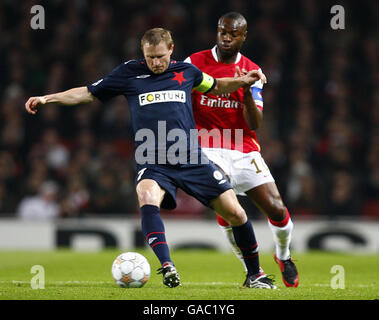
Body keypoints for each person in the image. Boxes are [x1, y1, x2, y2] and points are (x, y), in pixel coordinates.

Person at [25, 28, 276, 289]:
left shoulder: (186, 72)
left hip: (192, 157)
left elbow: (217, 85)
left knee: (236, 213)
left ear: (171, 49)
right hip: (153, 159)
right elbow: (87, 92)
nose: (155, 63)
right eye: (149, 57)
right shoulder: (129, 73)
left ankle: (255, 274)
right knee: (146, 197)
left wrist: (245, 80)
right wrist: (47, 98)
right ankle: (167, 266)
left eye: (159, 56)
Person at [185, 12, 299, 287]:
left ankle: (283, 256)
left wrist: (246, 89)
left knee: (277, 209)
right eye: (222, 31)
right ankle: (252, 271)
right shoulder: (194, 63)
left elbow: (254, 122)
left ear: (243, 36)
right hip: (207, 145)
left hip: (244, 148)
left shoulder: (252, 70)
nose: (226, 37)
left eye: (233, 33)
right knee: (229, 207)